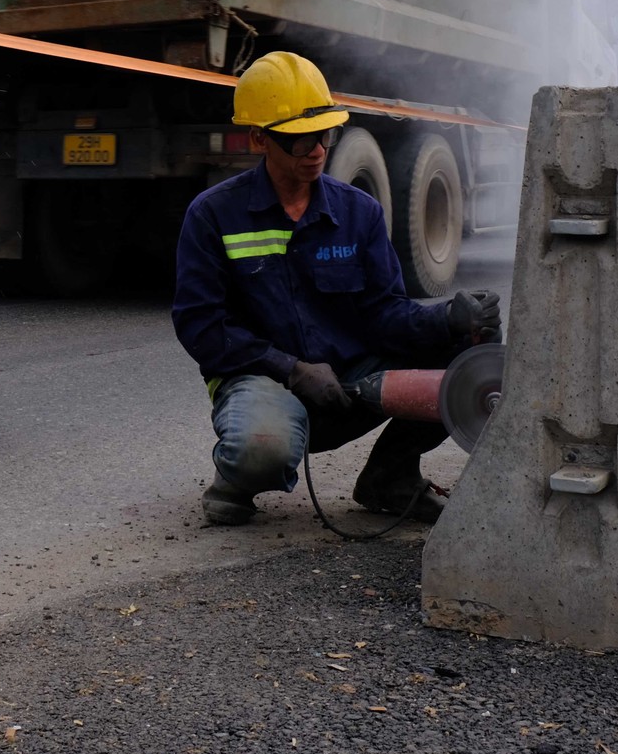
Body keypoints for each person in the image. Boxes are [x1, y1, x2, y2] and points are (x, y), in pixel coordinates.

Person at [172, 51, 502, 526]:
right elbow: (201, 326)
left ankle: (391, 478)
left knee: (473, 349)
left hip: (353, 386)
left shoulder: (358, 212)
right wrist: (290, 368)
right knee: (261, 451)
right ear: (259, 138)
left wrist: (449, 317)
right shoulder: (213, 215)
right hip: (263, 380)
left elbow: (384, 314)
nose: (318, 150)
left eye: (324, 134)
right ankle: (239, 474)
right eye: (300, 140)